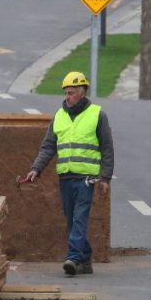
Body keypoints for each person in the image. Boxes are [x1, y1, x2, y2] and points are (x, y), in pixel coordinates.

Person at [21, 71, 114, 276]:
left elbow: (107, 147)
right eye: (66, 93)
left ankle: (72, 257)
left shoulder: (97, 114)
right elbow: (48, 147)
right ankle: (86, 259)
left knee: (80, 218)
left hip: (86, 179)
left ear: (82, 93)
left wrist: (105, 178)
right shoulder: (59, 116)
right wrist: (36, 169)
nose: (67, 97)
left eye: (71, 93)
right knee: (72, 221)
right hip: (65, 177)